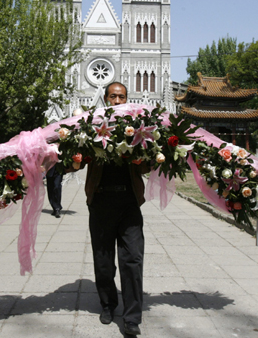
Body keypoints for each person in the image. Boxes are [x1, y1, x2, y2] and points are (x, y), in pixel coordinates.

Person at [84, 82, 149, 336]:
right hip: (100, 201)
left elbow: (146, 167)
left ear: (127, 99)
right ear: (106, 99)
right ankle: (108, 304)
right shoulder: (92, 126)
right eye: (113, 96)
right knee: (103, 261)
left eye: (122, 96)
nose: (117, 100)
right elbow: (74, 161)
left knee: (132, 259)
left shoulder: (138, 129)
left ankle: (132, 317)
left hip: (129, 203)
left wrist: (141, 156)